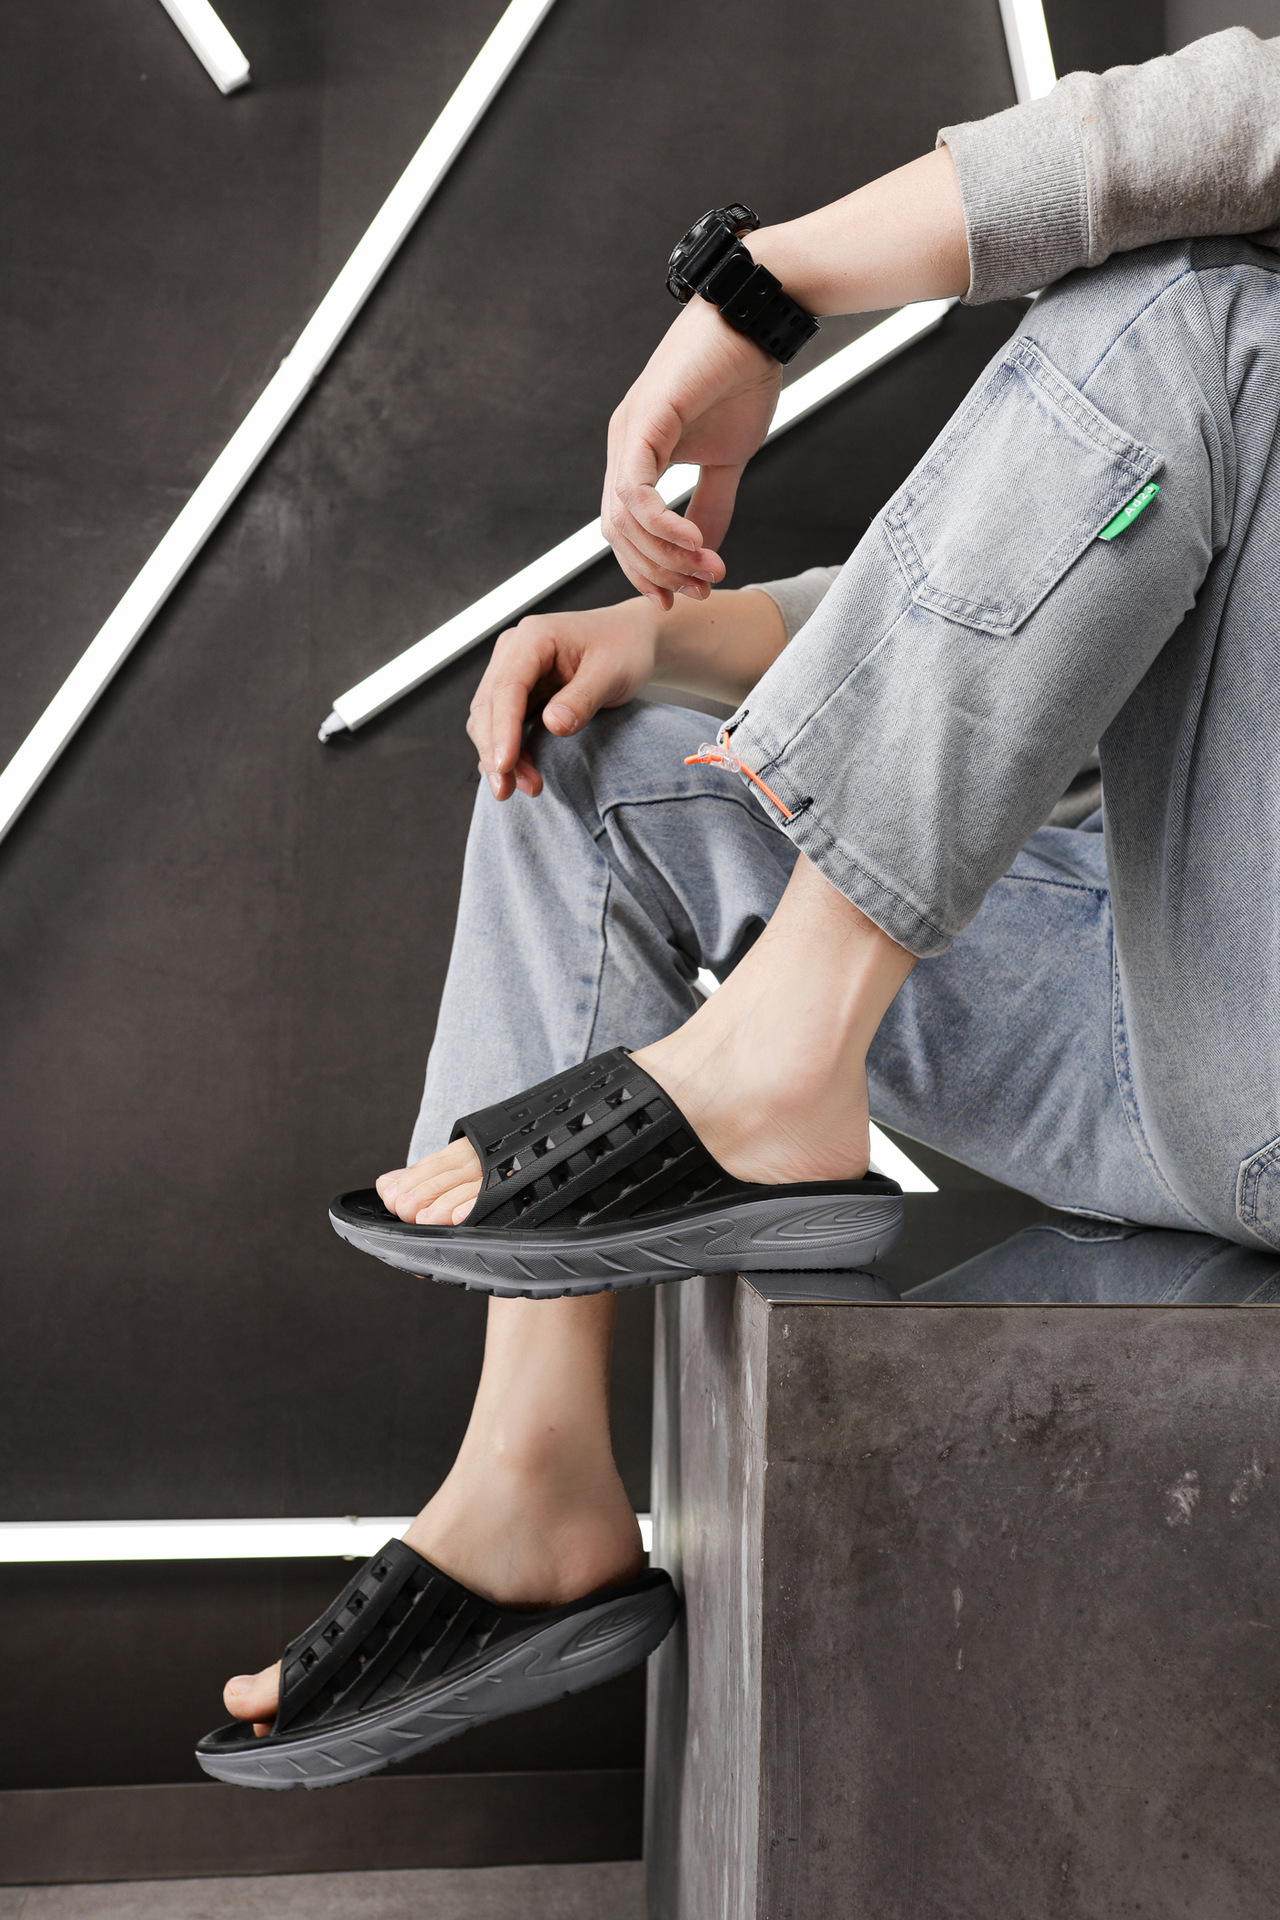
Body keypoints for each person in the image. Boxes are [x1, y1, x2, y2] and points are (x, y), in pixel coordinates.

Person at [216, 28, 1280, 1745]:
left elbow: (1215, 133)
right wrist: (669, 639)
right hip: (1132, 986)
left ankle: (779, 1062)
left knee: (1193, 308)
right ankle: (533, 1476)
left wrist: (763, 290)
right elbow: (1077, 554)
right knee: (594, 746)